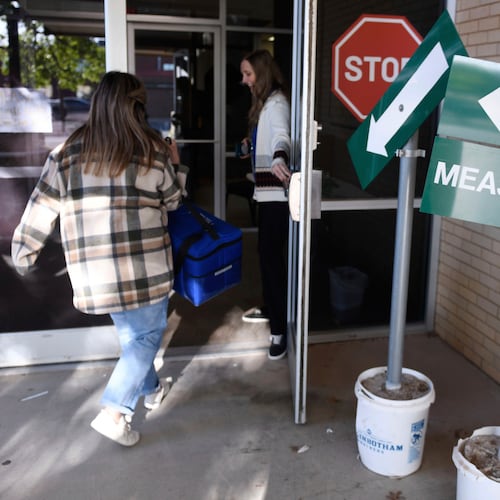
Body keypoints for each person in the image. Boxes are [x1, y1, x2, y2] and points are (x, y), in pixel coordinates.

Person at [11, 71, 188, 446]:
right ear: (137, 107)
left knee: (136, 340)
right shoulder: (152, 150)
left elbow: (40, 206)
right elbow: (173, 202)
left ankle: (153, 391)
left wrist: (23, 253)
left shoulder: (66, 154)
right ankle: (114, 412)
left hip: (96, 274)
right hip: (146, 269)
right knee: (145, 339)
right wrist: (178, 164)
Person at [239, 49, 291, 360]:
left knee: (272, 264)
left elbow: (283, 138)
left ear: (261, 73)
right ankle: (273, 310)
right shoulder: (265, 105)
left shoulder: (278, 104)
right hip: (266, 196)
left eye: (248, 74)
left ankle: (279, 333)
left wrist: (278, 157)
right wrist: (250, 145)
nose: (244, 80)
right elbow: (270, 139)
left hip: (277, 200)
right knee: (266, 259)